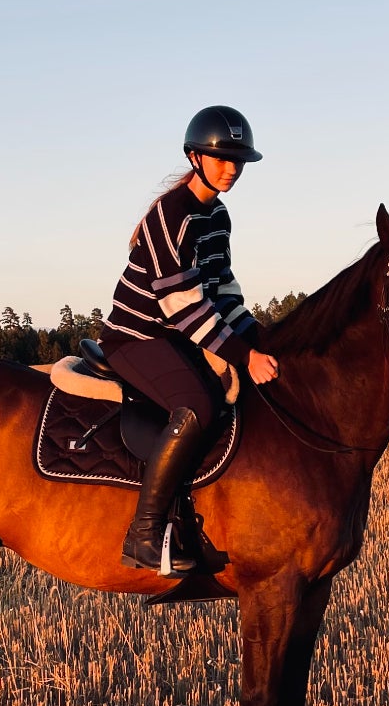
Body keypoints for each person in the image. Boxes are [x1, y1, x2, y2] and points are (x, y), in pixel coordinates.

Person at [101, 106, 280, 575]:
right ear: (194, 157)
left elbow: (222, 291)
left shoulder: (216, 216)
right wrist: (242, 353)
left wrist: (262, 340)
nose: (232, 169)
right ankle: (143, 534)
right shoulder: (171, 213)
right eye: (222, 159)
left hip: (179, 335)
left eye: (239, 160)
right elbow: (183, 305)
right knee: (199, 404)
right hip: (137, 335)